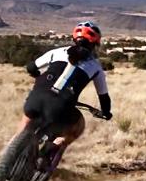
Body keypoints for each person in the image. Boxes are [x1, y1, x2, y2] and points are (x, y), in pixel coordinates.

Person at [19, 21, 112, 168]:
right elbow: (103, 96)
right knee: (77, 126)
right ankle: (51, 149)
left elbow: (31, 67)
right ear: (96, 43)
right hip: (60, 108)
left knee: (25, 125)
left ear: (74, 38)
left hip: (36, 99)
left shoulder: (56, 52)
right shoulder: (95, 66)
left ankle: (7, 160)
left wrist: (37, 76)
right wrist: (106, 112)